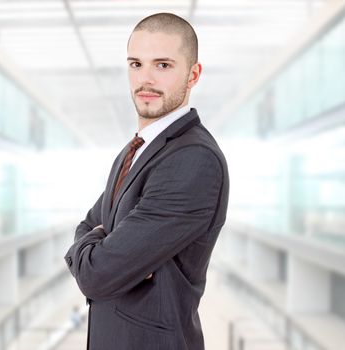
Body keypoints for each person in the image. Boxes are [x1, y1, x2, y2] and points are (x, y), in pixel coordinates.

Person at [64, 12, 229, 350]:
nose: (146, 79)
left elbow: (97, 275)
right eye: (136, 64)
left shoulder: (193, 160)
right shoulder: (134, 150)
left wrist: (98, 249)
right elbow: (88, 224)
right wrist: (97, 244)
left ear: (193, 74)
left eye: (163, 65)